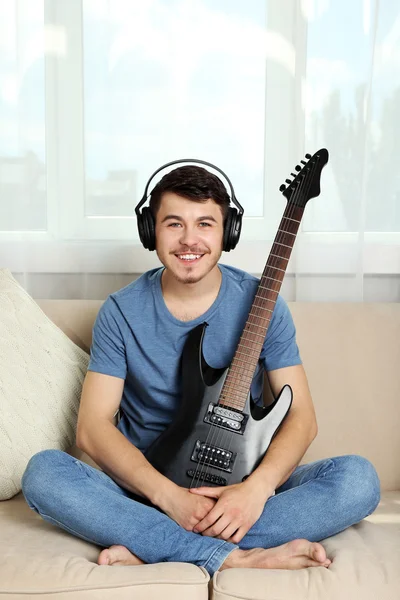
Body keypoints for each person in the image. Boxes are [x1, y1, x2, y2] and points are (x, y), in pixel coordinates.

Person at [21, 163, 380, 577]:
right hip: (147, 492)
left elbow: (302, 418)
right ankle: (230, 555)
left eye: (205, 224)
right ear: (149, 230)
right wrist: (171, 498)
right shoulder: (120, 311)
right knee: (45, 473)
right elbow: (92, 428)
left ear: (227, 231)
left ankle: (156, 545)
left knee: (358, 480)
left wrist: (255, 491)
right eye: (174, 224)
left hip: (240, 488)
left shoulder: (264, 303)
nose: (189, 240)